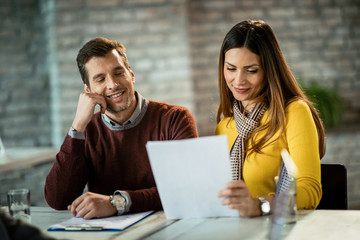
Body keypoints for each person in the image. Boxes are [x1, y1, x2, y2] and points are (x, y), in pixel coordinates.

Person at [44, 37, 198, 219]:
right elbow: (58, 199)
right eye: (100, 79)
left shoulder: (175, 119)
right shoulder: (86, 131)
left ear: (131, 74)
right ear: (88, 89)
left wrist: (118, 202)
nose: (113, 84)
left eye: (118, 73)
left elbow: (187, 188)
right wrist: (77, 127)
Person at [216, 20, 325, 217]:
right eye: (231, 68)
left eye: (251, 70)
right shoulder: (224, 127)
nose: (239, 80)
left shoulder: (294, 112)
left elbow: (310, 191)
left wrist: (260, 205)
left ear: (269, 70)